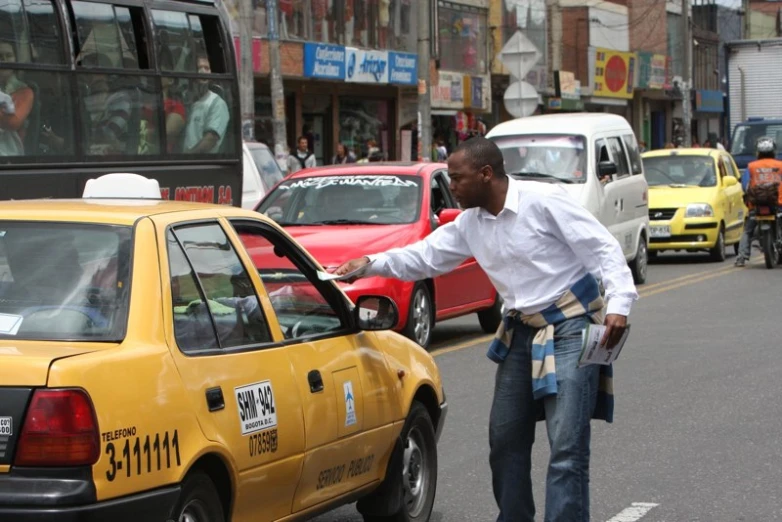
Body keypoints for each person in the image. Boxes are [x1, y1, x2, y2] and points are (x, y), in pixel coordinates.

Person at [335, 137, 637, 522]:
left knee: (566, 446)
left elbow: (603, 248)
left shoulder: (543, 201)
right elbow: (423, 256)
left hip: (568, 328)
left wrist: (619, 303)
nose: (452, 186)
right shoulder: (470, 224)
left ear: (486, 174)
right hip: (521, 332)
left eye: (457, 178)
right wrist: (368, 263)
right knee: (505, 442)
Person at [735, 136, 782, 267]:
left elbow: (745, 185)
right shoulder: (780, 165)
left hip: (757, 204)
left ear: (758, 152)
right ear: (774, 151)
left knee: (748, 231)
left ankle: (741, 257)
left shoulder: (751, 166)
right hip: (778, 204)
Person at [183, 55, 230, 154]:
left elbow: (210, 140)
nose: (203, 71)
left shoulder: (217, 103)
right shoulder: (186, 100)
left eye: (207, 68)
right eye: (199, 68)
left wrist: (187, 158)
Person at [0, 41, 35, 156]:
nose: (4, 59)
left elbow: (12, 122)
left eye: (9, 55)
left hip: (9, 158)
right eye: (0, 56)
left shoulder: (24, 91)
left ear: (15, 59)